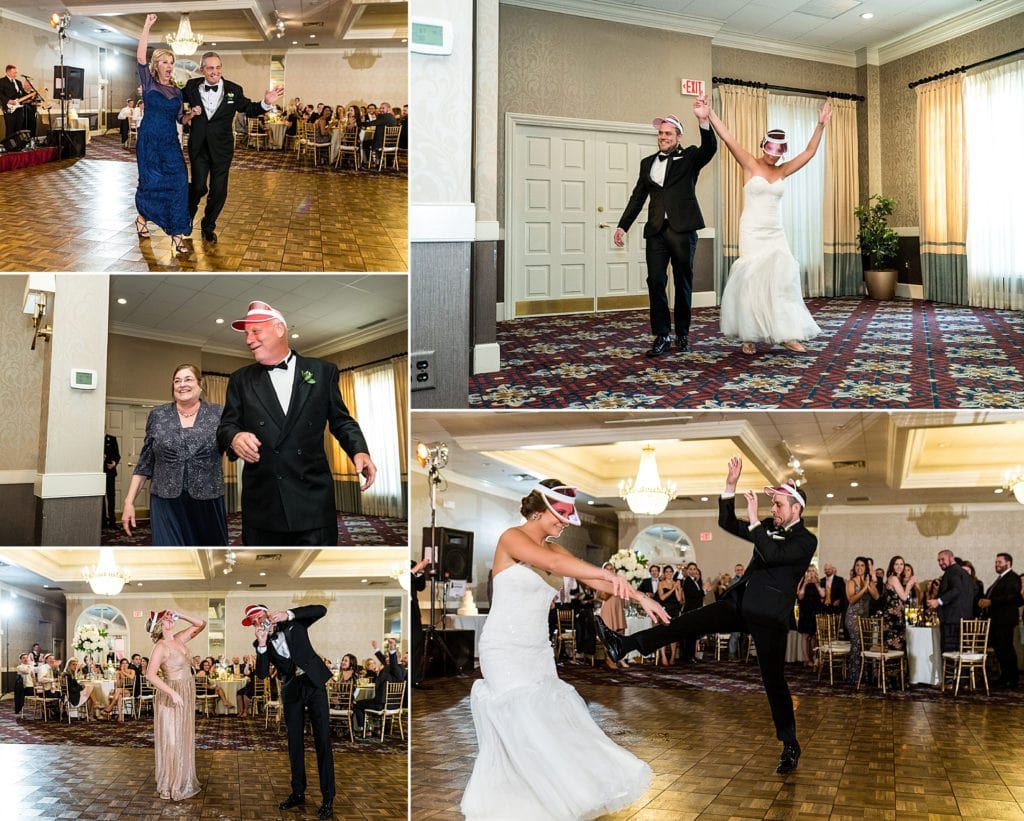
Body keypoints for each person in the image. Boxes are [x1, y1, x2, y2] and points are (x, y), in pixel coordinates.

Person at [596, 459, 817, 775]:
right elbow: (728, 523)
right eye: (773, 504)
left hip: (769, 617)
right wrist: (730, 487)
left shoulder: (807, 540)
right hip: (739, 603)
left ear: (796, 508)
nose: (774, 508)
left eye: (779, 504)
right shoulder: (766, 525)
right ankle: (625, 645)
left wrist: (755, 520)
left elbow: (773, 554)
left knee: (774, 683)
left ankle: (790, 744)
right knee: (686, 623)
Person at [462, 481, 667, 819]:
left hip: (538, 650)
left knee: (547, 723)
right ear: (538, 510)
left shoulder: (555, 549)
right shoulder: (510, 539)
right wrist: (607, 575)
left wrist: (641, 596)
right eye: (560, 516)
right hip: (504, 648)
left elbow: (597, 582)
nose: (563, 524)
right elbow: (557, 568)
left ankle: (540, 804)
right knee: (524, 724)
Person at [217, 300, 377, 546]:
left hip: (312, 500)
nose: (249, 340)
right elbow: (226, 426)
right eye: (247, 334)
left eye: (255, 331)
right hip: (263, 504)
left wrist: (359, 449)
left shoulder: (322, 372)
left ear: (280, 329)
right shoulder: (240, 380)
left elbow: (341, 421)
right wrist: (235, 437)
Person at [706, 99, 829, 355]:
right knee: (752, 281)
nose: (774, 155)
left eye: (779, 151)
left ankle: (787, 333)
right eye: (771, 150)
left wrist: (820, 125)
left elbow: (809, 152)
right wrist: (710, 115)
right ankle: (749, 335)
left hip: (776, 231)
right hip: (751, 230)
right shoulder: (750, 163)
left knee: (782, 281)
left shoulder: (783, 170)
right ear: (764, 147)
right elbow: (728, 138)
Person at [614, 99, 717, 357]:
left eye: (668, 133)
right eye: (660, 133)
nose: (663, 137)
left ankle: (682, 333)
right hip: (656, 231)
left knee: (683, 283)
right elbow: (638, 197)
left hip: (683, 231)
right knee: (656, 281)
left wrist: (704, 121)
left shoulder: (690, 156)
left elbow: (710, 148)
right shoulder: (647, 163)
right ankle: (661, 335)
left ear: (678, 136)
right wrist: (622, 226)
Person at [182, 51, 285, 243]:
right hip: (199, 147)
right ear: (203, 69)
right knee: (197, 186)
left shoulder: (233, 90)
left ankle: (208, 225)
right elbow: (172, 98)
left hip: (222, 149)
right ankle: (187, 217)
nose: (215, 71)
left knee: (219, 191)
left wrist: (266, 103)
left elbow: (250, 109)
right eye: (211, 68)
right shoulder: (191, 86)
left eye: (218, 67)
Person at [122, 364, 227, 545]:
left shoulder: (218, 413)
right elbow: (145, 463)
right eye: (177, 381)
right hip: (165, 501)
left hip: (207, 501)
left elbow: (234, 446)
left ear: (200, 385)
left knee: (209, 558)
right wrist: (129, 502)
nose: (182, 384)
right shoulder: (158, 415)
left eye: (188, 379)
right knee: (170, 556)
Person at [247, 604, 335, 820]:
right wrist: (261, 643)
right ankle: (298, 792)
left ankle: (328, 799)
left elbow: (321, 610)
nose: (258, 622)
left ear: (269, 614)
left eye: (260, 617)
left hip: (314, 683)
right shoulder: (262, 642)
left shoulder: (295, 623)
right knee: (294, 743)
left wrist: (289, 614)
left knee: (322, 740)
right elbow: (260, 674)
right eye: (254, 621)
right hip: (291, 689)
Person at [133, 14, 194, 254]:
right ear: (156, 65)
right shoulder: (148, 84)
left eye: (172, 62)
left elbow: (180, 118)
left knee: (180, 183)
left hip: (170, 143)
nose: (169, 66)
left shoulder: (177, 92)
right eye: (165, 62)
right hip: (148, 142)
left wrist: (191, 116)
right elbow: (140, 56)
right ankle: (142, 219)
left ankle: (177, 233)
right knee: (151, 185)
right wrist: (147, 25)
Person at [146, 610, 204, 800]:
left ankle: (181, 780)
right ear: (158, 626)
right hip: (171, 695)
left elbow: (200, 623)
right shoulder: (160, 647)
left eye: (170, 618)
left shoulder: (179, 638)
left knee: (182, 737)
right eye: (165, 620)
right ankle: (168, 784)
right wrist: (172, 692)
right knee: (171, 740)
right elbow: (150, 675)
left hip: (186, 691)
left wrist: (181, 613)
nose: (170, 620)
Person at [978, 552, 1022, 687]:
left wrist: (991, 602)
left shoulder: (1012, 577)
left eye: (999, 562)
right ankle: (1005, 676)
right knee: (1000, 649)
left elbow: (1012, 597)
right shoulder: (1001, 578)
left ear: (1008, 563)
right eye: (996, 562)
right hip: (997, 620)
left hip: (1005, 620)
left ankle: (1012, 678)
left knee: (1006, 649)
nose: (996, 565)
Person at [353, 638, 406, 735]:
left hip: (384, 704)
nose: (386, 659)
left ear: (397, 657)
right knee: (368, 701)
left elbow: (393, 663)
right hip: (390, 703)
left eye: (388, 657)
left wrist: (392, 648)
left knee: (358, 704)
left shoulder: (398, 669)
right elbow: (386, 660)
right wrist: (376, 648)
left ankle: (364, 729)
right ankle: (377, 728)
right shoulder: (391, 667)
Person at [926, 549, 975, 652]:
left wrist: (938, 601)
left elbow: (956, 590)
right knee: (959, 653)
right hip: (962, 619)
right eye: (938, 560)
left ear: (951, 558)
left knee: (950, 654)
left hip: (952, 621)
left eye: (942, 559)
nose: (940, 563)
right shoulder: (963, 572)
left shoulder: (953, 571)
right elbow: (973, 590)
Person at [845, 557, 878, 684]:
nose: (859, 567)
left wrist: (868, 585)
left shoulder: (869, 582)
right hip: (852, 618)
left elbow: (876, 596)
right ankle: (853, 677)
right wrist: (863, 589)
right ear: (854, 567)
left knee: (866, 646)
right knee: (857, 644)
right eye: (857, 565)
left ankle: (865, 677)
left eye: (862, 565)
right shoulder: (851, 582)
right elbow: (852, 600)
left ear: (866, 568)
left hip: (865, 619)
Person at [597, 562, 629, 670]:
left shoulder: (618, 580)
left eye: (611, 569)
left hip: (618, 609)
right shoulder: (602, 581)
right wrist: (613, 586)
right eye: (607, 569)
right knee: (609, 635)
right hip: (608, 609)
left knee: (620, 634)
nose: (609, 571)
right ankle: (609, 659)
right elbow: (602, 597)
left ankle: (619, 657)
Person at [882, 556, 915, 652]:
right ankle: (894, 667)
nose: (899, 567)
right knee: (895, 647)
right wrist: (909, 584)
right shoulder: (893, 578)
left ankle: (898, 666)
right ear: (892, 566)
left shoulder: (897, 578)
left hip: (897, 615)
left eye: (901, 564)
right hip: (893, 617)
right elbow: (904, 597)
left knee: (899, 646)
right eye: (896, 564)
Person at [410, 556, 430, 689]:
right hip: (408, 608)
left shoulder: (412, 564)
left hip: (414, 611)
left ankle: (415, 680)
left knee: (417, 645)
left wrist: (421, 571)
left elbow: (420, 587)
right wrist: (416, 568)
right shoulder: (400, 568)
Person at [796, 566, 821, 667]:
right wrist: (805, 584)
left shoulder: (819, 582)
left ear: (816, 573)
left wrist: (816, 583)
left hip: (815, 612)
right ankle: (806, 659)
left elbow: (823, 595)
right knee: (805, 635)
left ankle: (813, 657)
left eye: (812, 571)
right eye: (809, 571)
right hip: (805, 612)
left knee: (814, 636)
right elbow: (800, 596)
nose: (810, 573)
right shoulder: (802, 582)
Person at [1, 64, 27, 138]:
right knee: (10, 129)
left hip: (19, 108)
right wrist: (8, 100)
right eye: (14, 72)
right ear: (8, 72)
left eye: (16, 72)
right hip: (9, 108)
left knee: (18, 129)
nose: (16, 74)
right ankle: (9, 147)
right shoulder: (2, 81)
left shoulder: (18, 82)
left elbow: (22, 94)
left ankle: (17, 146)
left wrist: (31, 95)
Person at [103, 433, 120, 528]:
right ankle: (103, 522)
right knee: (101, 498)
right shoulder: (95, 440)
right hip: (99, 473)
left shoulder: (112, 439)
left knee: (111, 497)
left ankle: (112, 521)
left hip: (110, 472)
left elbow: (117, 455)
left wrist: (114, 463)